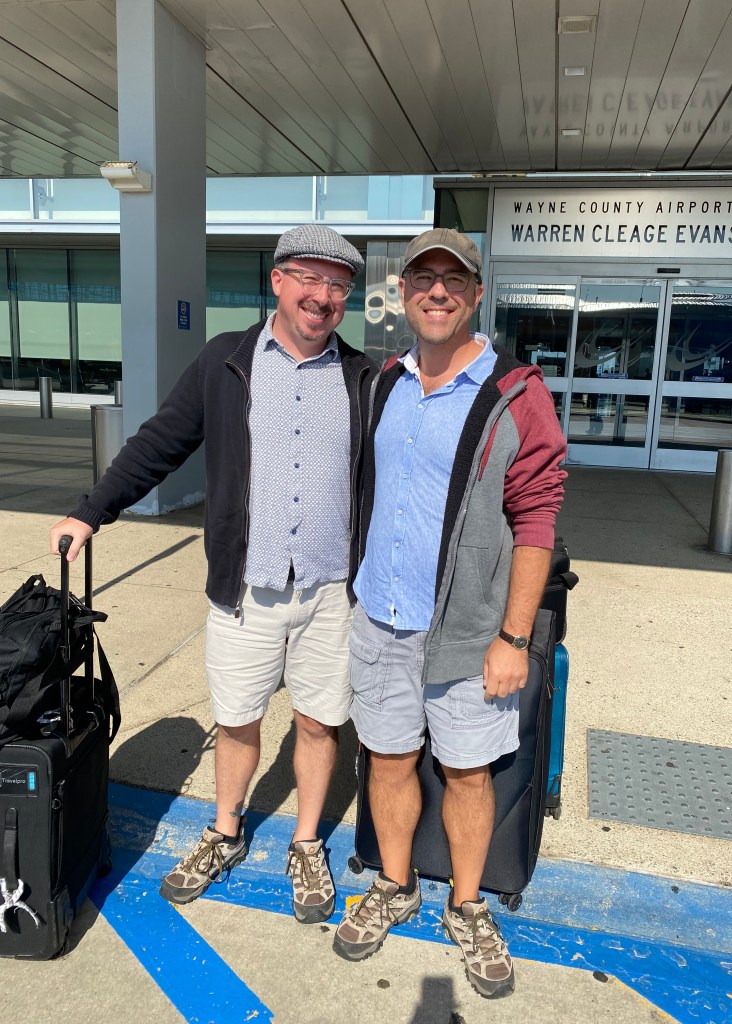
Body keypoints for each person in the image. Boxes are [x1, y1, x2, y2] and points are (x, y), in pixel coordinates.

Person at [50, 225, 376, 923]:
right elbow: (160, 442)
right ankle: (226, 830)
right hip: (245, 588)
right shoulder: (226, 361)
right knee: (237, 720)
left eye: (337, 285)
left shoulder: (363, 376)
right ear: (278, 281)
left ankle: (307, 841)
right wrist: (92, 510)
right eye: (310, 278)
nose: (323, 296)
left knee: (320, 724)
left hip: (330, 593)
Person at [333, 228, 566, 998]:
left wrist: (514, 636)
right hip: (381, 619)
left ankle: (467, 905)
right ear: (402, 293)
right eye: (423, 278)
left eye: (454, 279)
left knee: (467, 772)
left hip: (468, 632)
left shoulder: (515, 394)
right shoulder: (383, 383)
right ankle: (394, 884)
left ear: (475, 294)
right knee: (388, 760)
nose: (437, 291)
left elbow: (536, 518)